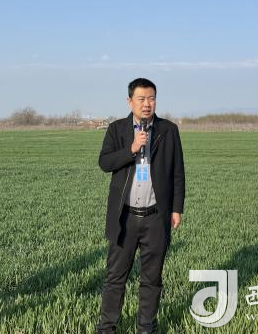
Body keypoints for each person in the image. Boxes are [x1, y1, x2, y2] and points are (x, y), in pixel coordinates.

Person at [97, 78, 185, 334]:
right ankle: (107, 327)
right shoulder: (117, 129)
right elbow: (105, 163)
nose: (147, 104)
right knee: (115, 277)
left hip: (156, 216)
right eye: (141, 99)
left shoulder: (168, 130)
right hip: (124, 217)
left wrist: (176, 208)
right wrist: (132, 148)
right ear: (130, 101)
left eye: (152, 98)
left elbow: (177, 172)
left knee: (152, 278)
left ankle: (146, 327)